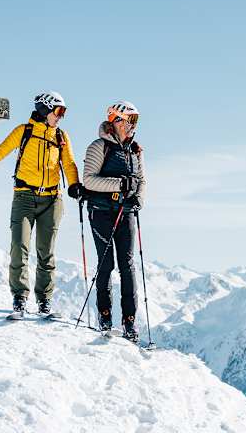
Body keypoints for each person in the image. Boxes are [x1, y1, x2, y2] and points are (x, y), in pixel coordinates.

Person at [0, 92, 84, 317]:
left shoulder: (61, 136)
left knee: (46, 252)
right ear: (45, 109)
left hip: (52, 200)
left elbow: (69, 163)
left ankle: (44, 301)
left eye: (64, 112)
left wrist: (74, 185)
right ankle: (19, 299)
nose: (61, 116)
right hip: (24, 197)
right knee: (19, 247)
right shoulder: (24, 132)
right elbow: (1, 151)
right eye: (59, 111)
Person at [83, 100, 146, 342]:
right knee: (106, 263)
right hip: (101, 211)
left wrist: (138, 198)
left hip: (127, 211)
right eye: (131, 119)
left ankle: (130, 321)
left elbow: (141, 179)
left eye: (135, 120)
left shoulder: (135, 149)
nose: (133, 125)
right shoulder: (98, 147)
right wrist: (119, 184)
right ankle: (105, 315)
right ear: (116, 120)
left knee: (128, 265)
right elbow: (89, 180)